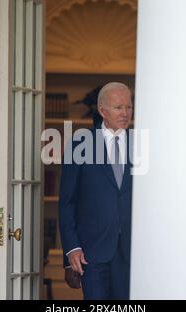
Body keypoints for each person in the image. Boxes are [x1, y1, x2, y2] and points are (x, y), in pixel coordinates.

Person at [59, 82, 133, 300]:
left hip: (131, 253)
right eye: (119, 107)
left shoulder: (140, 144)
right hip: (92, 252)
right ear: (103, 111)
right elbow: (67, 201)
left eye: (128, 107)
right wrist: (71, 248)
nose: (125, 113)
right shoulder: (80, 144)